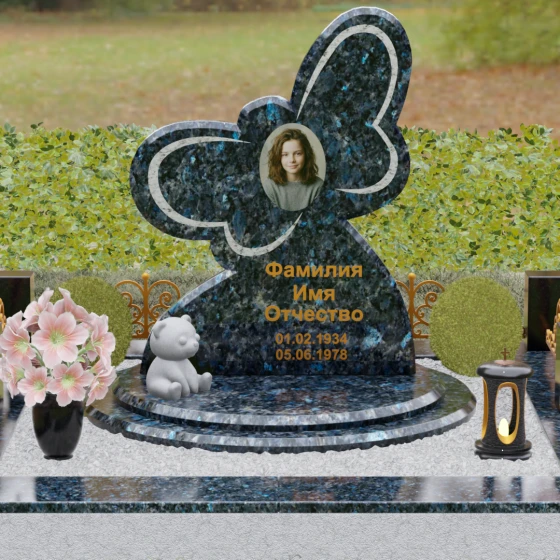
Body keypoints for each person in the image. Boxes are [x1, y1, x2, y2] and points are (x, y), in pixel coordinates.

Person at [262, 129, 324, 211]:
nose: (292, 160)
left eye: (298, 153)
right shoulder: (269, 186)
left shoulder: (318, 186)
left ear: (306, 155)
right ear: (278, 157)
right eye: (285, 155)